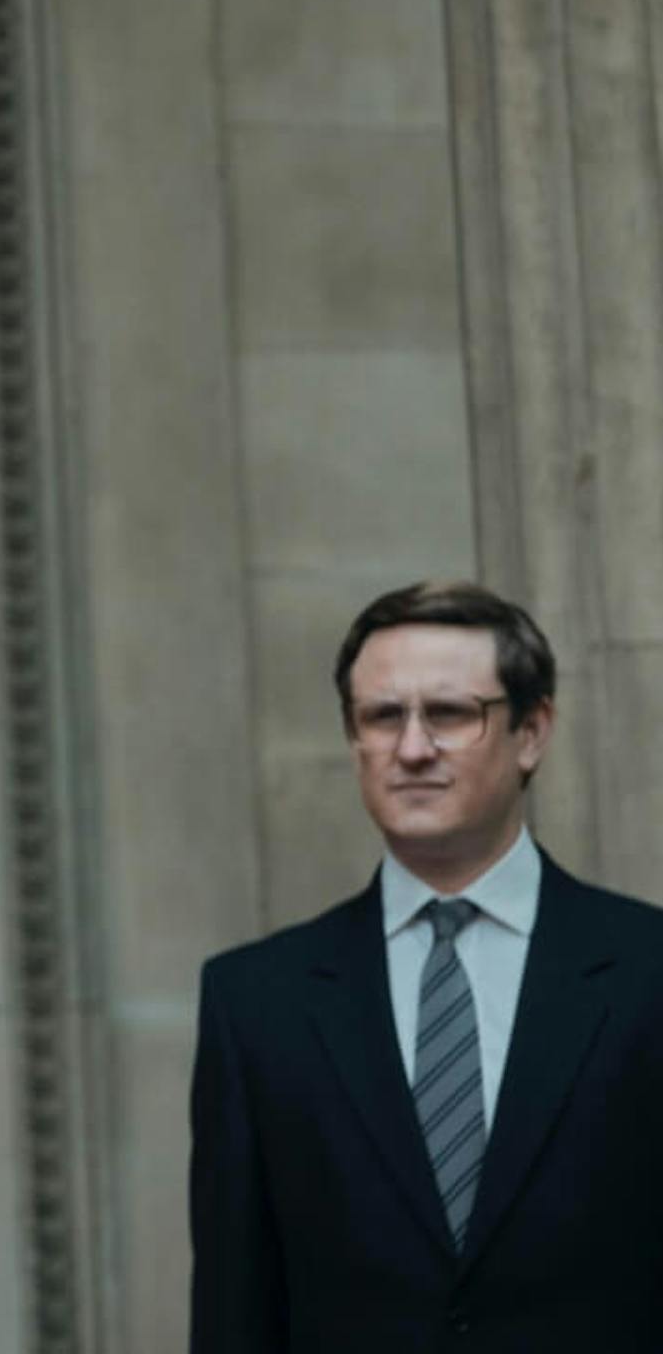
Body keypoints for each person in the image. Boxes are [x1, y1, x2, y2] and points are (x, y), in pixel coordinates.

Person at [189, 579, 663, 1352]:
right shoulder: (255, 1004)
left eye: (449, 714)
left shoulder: (647, 973)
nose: (411, 748)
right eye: (381, 717)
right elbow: (234, 1313)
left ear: (531, 732)